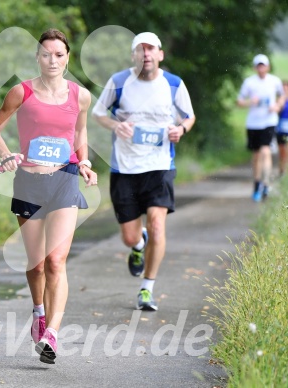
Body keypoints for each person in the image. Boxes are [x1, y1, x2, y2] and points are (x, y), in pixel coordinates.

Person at [0, 28, 96, 364]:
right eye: (46, 54)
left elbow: (79, 133)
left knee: (55, 261)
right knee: (35, 265)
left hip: (64, 180)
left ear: (67, 58)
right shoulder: (21, 92)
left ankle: (52, 333)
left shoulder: (80, 96)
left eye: (59, 55)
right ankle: (39, 312)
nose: (52, 60)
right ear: (38, 57)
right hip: (29, 183)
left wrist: (85, 162)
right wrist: (6, 154)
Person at [92, 32, 195, 311]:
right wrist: (115, 125)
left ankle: (147, 289)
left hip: (159, 167)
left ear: (160, 54)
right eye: (141, 50)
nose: (146, 54)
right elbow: (98, 113)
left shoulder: (173, 85)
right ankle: (139, 246)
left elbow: (189, 115)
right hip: (124, 168)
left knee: (158, 224)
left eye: (151, 49)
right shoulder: (119, 82)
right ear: (133, 55)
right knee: (129, 236)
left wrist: (180, 130)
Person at [237, 54, 284, 202]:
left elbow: (282, 96)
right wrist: (250, 101)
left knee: (266, 150)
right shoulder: (249, 83)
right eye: (258, 65)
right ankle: (257, 183)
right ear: (255, 67)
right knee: (256, 155)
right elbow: (239, 101)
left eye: (263, 65)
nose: (261, 68)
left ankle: (266, 183)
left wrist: (277, 106)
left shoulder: (274, 81)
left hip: (269, 121)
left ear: (268, 67)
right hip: (253, 123)